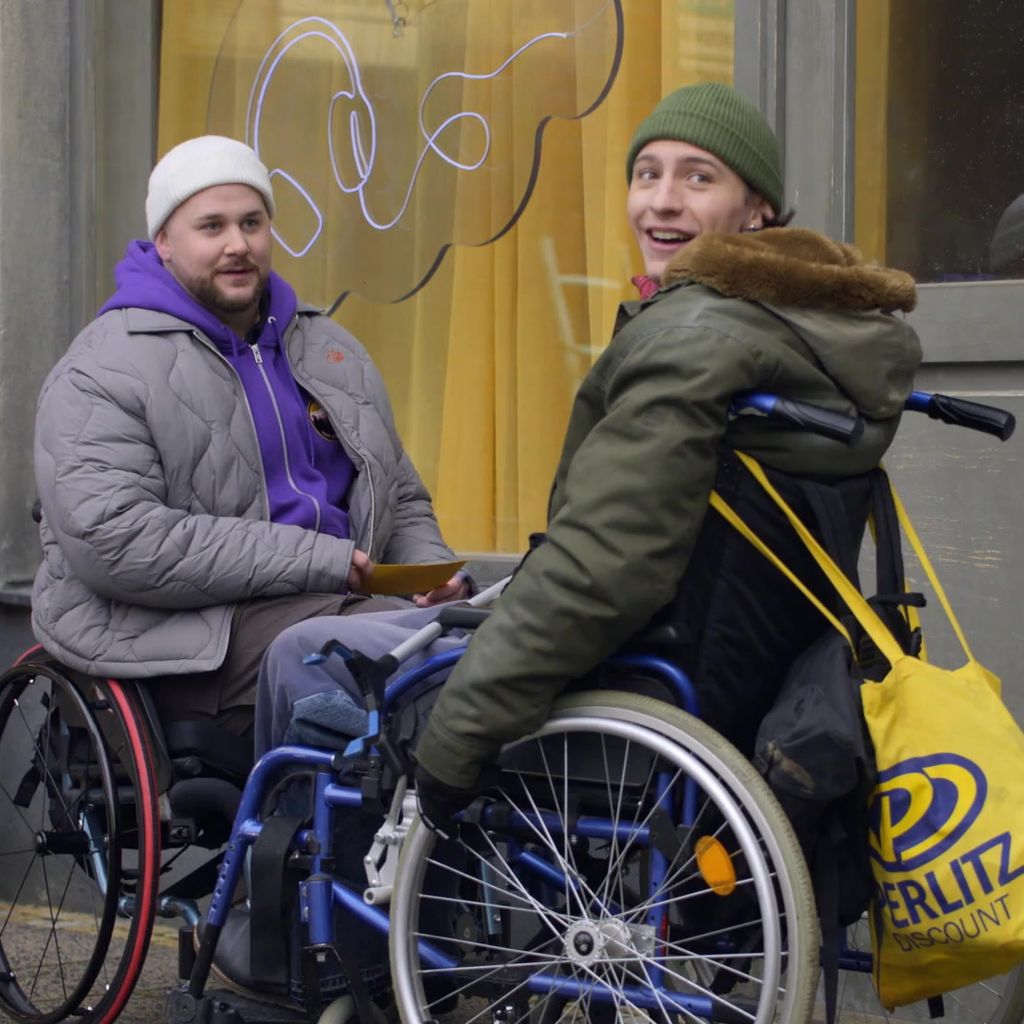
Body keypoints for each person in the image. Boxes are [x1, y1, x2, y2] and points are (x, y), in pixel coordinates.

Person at [256, 82, 922, 815]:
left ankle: (328, 930)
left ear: (756, 209)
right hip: (720, 667)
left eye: (698, 177)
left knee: (303, 657)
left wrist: (460, 733)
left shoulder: (697, 337)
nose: (660, 201)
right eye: (647, 173)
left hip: (631, 670)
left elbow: (603, 566)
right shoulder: (801, 331)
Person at [32, 135, 467, 742]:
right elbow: (117, 542)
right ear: (163, 242)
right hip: (180, 639)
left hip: (345, 607)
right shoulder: (101, 370)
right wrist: (322, 563)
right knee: (408, 668)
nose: (238, 244)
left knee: (476, 643)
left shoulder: (330, 349)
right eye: (211, 226)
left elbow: (402, 494)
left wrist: (427, 575)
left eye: (252, 222)